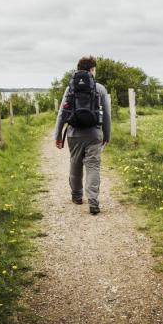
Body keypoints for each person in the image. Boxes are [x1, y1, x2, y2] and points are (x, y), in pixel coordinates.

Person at [53, 56, 111, 215]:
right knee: (93, 167)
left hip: (73, 134)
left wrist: (58, 135)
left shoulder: (70, 88)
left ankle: (77, 196)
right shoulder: (100, 89)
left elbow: (61, 114)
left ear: (79, 69)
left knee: (75, 163)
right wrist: (107, 135)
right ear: (92, 69)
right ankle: (93, 202)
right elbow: (106, 115)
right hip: (94, 134)